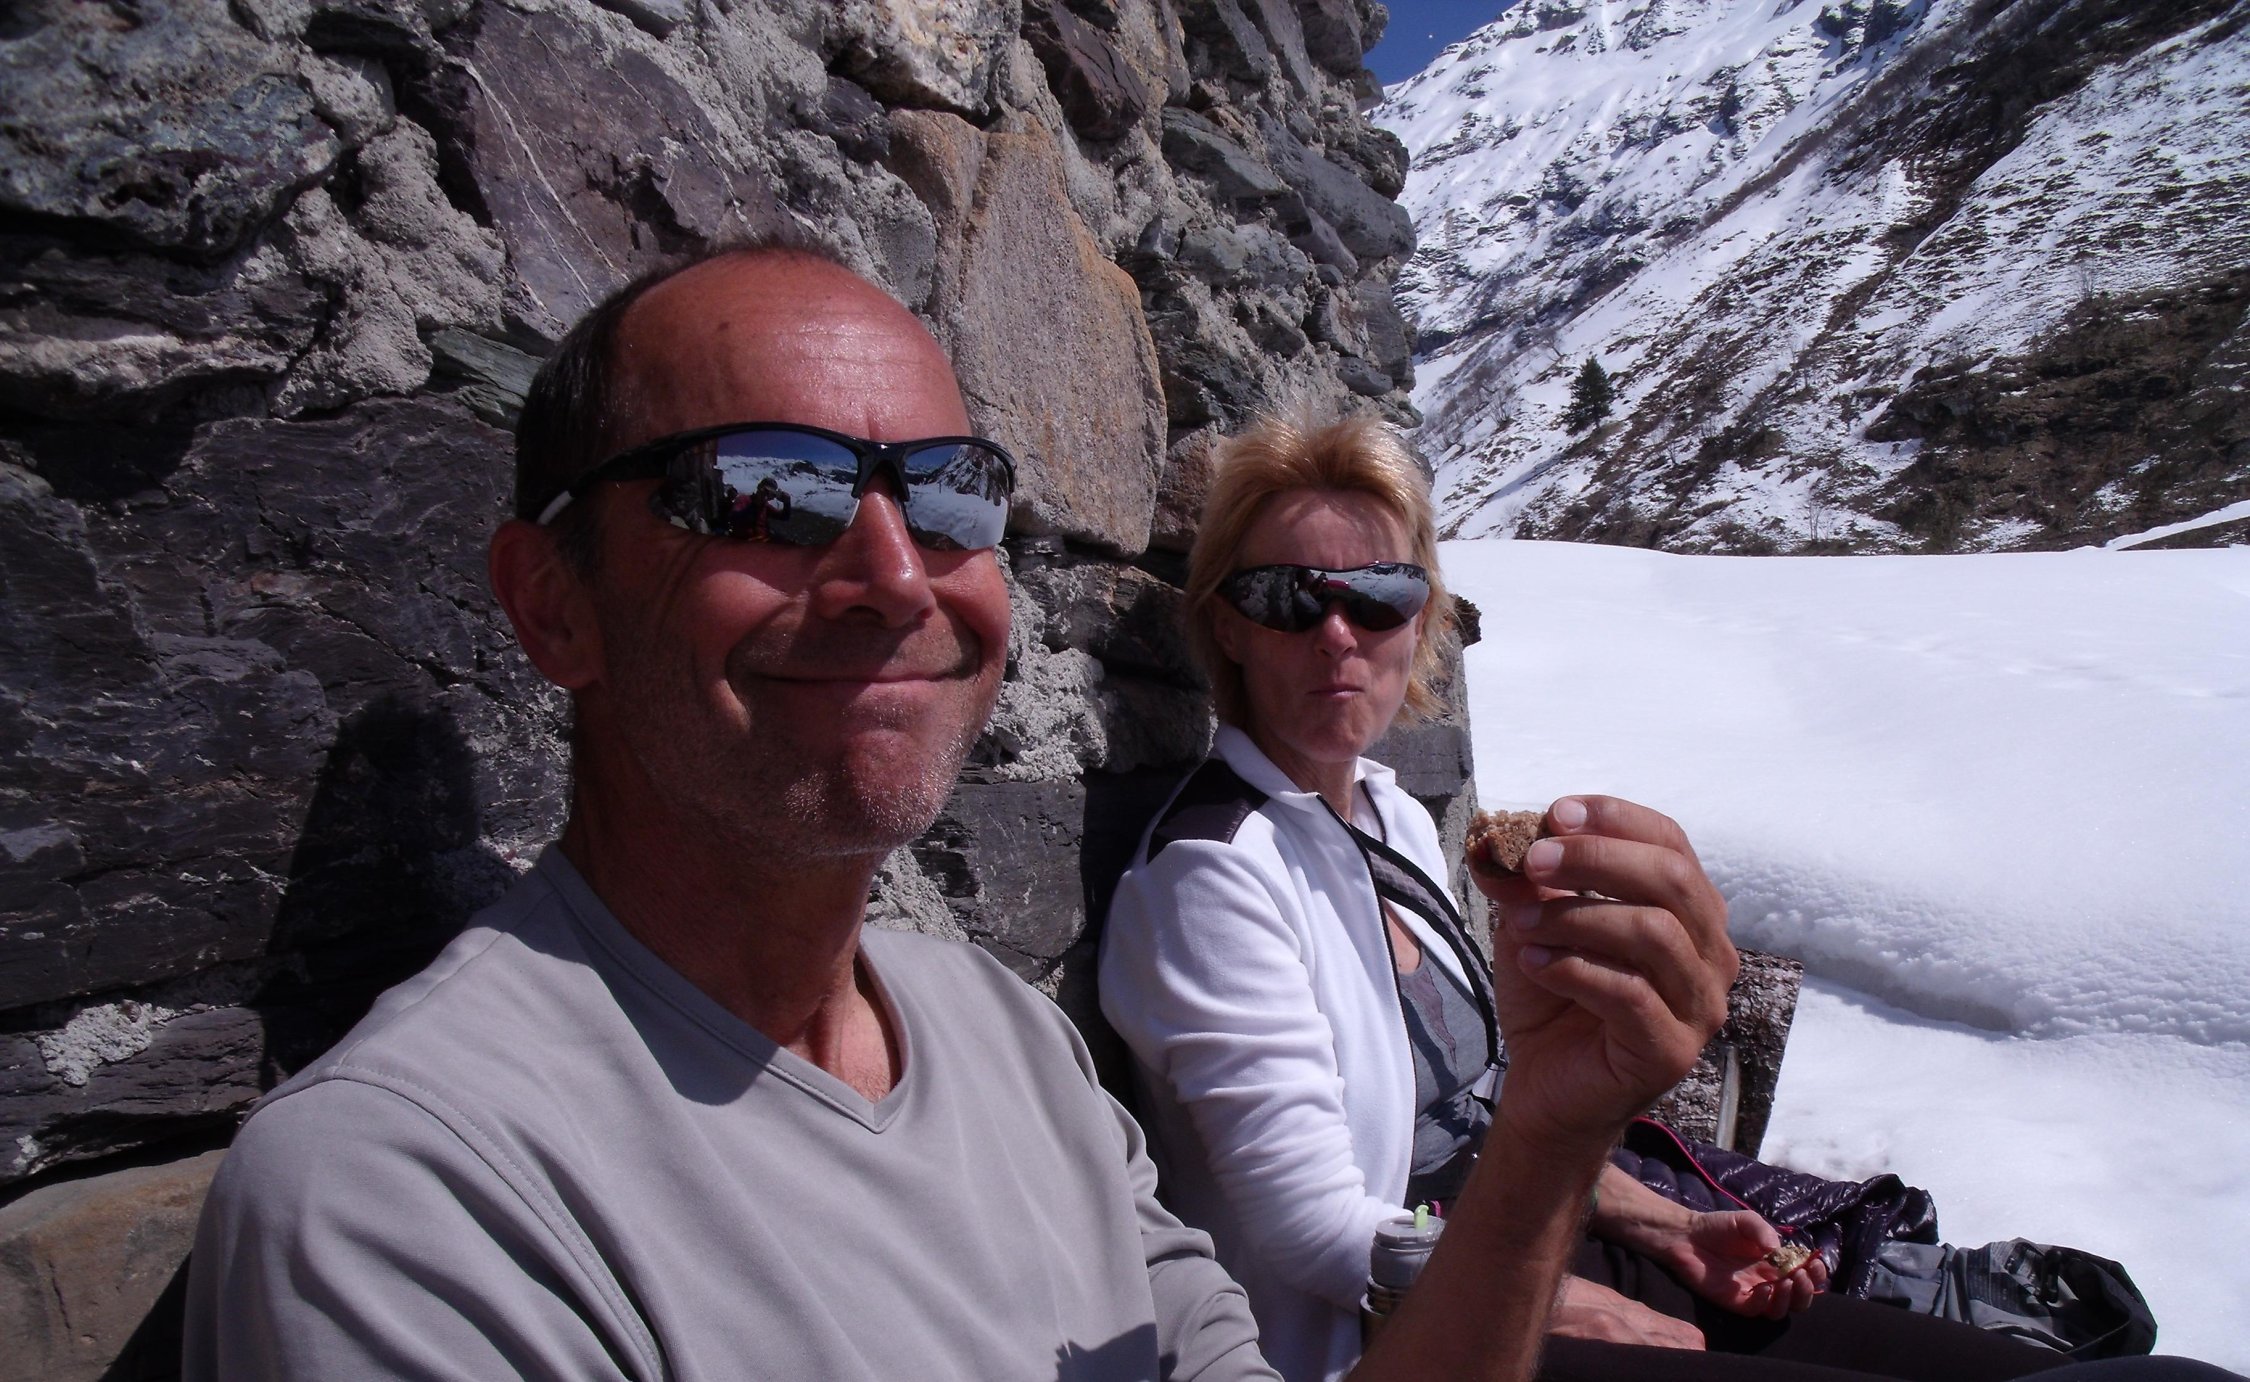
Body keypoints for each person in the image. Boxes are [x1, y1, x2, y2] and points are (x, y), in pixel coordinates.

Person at [177, 243, 1741, 1382]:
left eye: (946, 493)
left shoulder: (1009, 1042)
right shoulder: (412, 1196)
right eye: (762, 490)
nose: (892, 573)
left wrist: (1550, 1135)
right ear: (551, 602)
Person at [1097, 411, 2236, 1382]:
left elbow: (1488, 1127)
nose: (1340, 634)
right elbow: (1310, 1230)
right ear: (1230, 623)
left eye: (1381, 592)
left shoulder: (1383, 815)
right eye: (1291, 597)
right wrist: (1554, 1293)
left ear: (1423, 617)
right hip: (1396, 1329)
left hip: (1525, 1251)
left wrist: (1672, 1225)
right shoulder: (1214, 873)